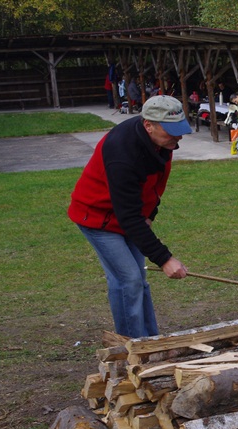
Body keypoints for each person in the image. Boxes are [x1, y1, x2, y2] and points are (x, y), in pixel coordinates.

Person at [68, 95, 193, 338]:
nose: (178, 137)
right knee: (128, 280)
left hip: (129, 214)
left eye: (180, 130)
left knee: (138, 279)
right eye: (171, 131)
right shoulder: (122, 152)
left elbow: (154, 186)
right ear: (148, 125)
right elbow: (127, 217)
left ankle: (150, 339)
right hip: (98, 218)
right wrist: (165, 259)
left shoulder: (161, 144)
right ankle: (132, 346)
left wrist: (150, 214)